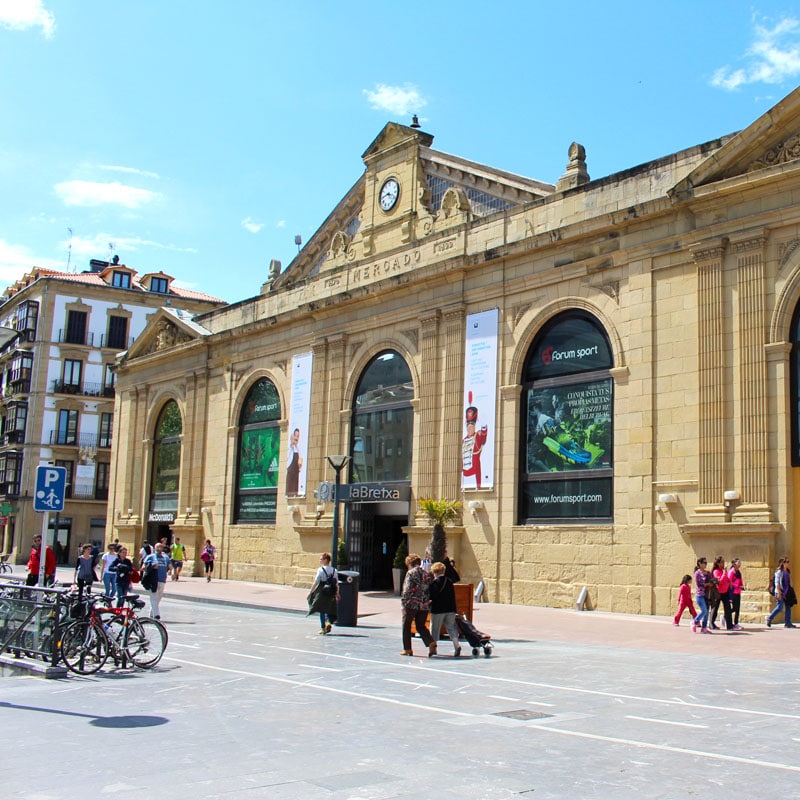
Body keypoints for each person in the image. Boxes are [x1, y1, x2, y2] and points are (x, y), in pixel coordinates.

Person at [400, 553, 436, 657]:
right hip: (424, 605)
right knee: (421, 626)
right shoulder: (426, 574)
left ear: (409, 563)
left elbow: (407, 590)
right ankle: (431, 642)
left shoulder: (410, 573)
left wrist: (403, 604)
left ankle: (407, 649)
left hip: (411, 604)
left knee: (406, 625)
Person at [429, 562, 461, 657]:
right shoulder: (449, 581)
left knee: (434, 629)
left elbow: (432, 596)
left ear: (434, 572)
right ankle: (457, 645)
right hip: (450, 609)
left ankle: (433, 648)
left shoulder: (435, 583)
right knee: (451, 627)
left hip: (438, 610)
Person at [307, 552, 339, 634]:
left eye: (321, 559)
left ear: (326, 560)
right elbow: (336, 583)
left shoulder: (320, 570)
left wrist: (310, 592)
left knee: (321, 608)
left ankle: (323, 627)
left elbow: (316, 582)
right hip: (331, 590)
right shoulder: (334, 570)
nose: (320, 560)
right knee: (329, 607)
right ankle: (328, 622)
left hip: (322, 590)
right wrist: (337, 593)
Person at [462, 398, 488, 489]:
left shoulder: (478, 436)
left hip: (474, 473)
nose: (470, 428)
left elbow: (484, 435)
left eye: (472, 426)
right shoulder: (463, 440)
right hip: (464, 475)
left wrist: (483, 423)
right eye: (468, 426)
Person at [142, 542, 170, 619]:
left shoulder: (165, 557)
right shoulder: (150, 557)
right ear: (154, 548)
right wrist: (152, 566)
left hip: (162, 580)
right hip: (153, 580)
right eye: (157, 547)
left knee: (158, 597)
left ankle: (152, 612)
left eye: (160, 547)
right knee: (153, 596)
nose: (159, 549)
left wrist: (173, 572)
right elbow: (143, 567)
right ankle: (156, 614)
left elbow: (170, 566)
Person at [766, 556, 796, 628]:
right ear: (783, 563)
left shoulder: (787, 571)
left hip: (787, 592)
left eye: (788, 562)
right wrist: (779, 592)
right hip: (780, 591)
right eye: (786, 562)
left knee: (788, 606)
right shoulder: (779, 572)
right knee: (779, 607)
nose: (788, 563)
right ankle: (769, 618)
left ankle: (787, 622)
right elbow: (777, 583)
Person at [709, 555, 733, 631]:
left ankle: (729, 626)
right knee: (715, 608)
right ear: (718, 563)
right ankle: (711, 624)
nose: (723, 563)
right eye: (722, 562)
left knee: (728, 609)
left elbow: (726, 579)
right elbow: (719, 582)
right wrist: (724, 573)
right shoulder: (716, 571)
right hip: (718, 592)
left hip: (725, 592)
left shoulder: (723, 571)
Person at [691, 557, 712, 634]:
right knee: (704, 610)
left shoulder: (707, 573)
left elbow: (711, 580)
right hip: (700, 594)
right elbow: (699, 584)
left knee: (706, 612)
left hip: (707, 594)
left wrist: (710, 578)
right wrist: (707, 584)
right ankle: (695, 621)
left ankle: (704, 628)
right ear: (699, 563)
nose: (705, 564)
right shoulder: (697, 573)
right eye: (704, 563)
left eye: (706, 563)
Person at [727, 558, 745, 630]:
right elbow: (729, 582)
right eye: (738, 563)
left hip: (738, 592)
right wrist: (736, 586)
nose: (740, 564)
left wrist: (742, 586)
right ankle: (726, 616)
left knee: (737, 609)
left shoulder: (738, 572)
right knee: (734, 608)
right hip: (733, 592)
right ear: (734, 564)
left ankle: (736, 623)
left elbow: (740, 580)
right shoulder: (731, 572)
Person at [286, 427, 301, 495]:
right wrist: (292, 444)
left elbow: (300, 459)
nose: (296, 438)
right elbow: (287, 458)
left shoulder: (298, 448)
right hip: (290, 472)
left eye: (298, 436)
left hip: (296, 473)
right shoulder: (290, 448)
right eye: (295, 435)